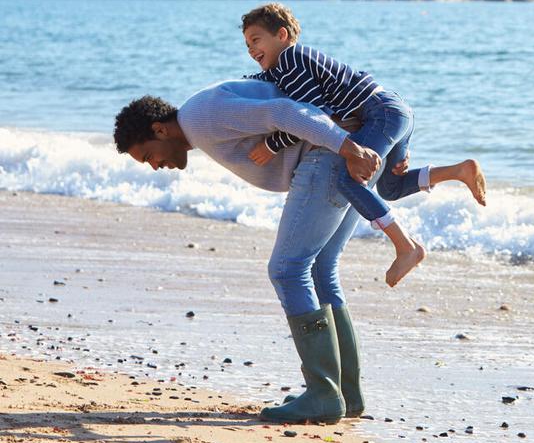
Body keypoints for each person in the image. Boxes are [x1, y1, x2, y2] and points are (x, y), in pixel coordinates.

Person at [113, 79, 386, 424]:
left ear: (159, 130)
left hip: (333, 157)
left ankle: (323, 394)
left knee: (288, 270)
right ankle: (344, 393)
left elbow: (283, 111)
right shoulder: (199, 120)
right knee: (320, 268)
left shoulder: (200, 118)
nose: (155, 166)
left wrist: (348, 149)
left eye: (149, 156)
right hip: (347, 152)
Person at [240, 3, 486, 287]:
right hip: (395, 109)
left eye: (256, 40)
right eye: (246, 44)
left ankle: (406, 247)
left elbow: (314, 116)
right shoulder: (285, 67)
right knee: (390, 188)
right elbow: (261, 83)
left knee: (349, 179)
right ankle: (459, 171)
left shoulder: (290, 61)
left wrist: (273, 144)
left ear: (281, 35)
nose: (250, 49)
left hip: (380, 114)